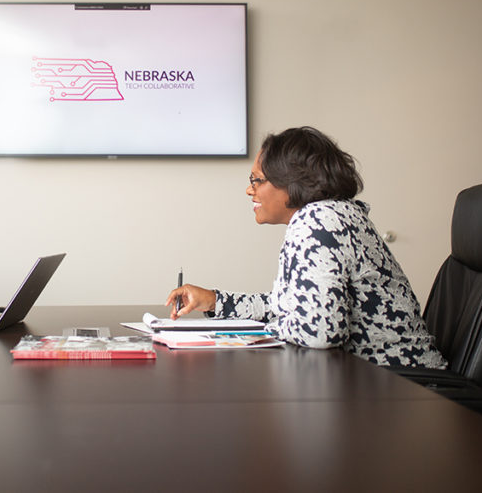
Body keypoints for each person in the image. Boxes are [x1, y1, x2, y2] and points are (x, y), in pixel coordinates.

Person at [166, 126, 447, 369]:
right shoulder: (330, 215)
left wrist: (252, 334)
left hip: (402, 390)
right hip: (378, 381)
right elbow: (291, 307)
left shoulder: (320, 221)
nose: (250, 190)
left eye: (257, 180)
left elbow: (320, 332)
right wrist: (215, 301)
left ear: (292, 182)